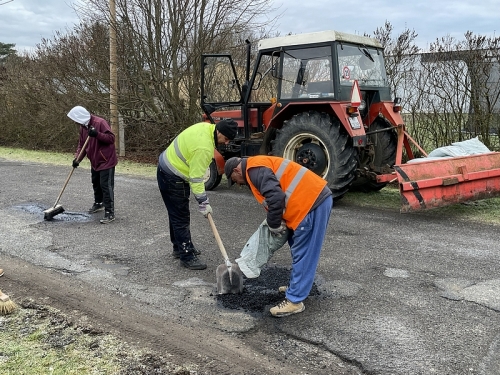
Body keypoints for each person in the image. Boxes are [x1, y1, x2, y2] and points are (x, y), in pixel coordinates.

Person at [224, 155, 333, 317]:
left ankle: (295, 301)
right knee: (297, 248)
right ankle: (298, 287)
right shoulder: (256, 165)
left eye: (234, 180)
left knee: (304, 253)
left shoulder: (254, 170)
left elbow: (276, 198)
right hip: (306, 200)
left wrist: (274, 225)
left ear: (236, 170)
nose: (238, 184)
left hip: (310, 203)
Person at [157, 119, 238, 270]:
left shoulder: (207, 128)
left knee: (176, 213)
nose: (226, 143)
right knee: (180, 216)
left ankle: (178, 247)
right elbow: (196, 178)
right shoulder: (204, 148)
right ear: (219, 132)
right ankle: (186, 256)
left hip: (166, 166)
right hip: (172, 175)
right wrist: (203, 202)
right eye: (226, 139)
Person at [67, 106, 118, 224]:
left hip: (106, 160)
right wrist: (77, 159)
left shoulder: (100, 122)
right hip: (95, 160)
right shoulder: (83, 127)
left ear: (80, 117)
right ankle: (99, 203)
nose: (74, 122)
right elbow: (82, 145)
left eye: (75, 119)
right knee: (96, 182)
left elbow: (111, 139)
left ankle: (110, 213)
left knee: (106, 186)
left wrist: (97, 134)